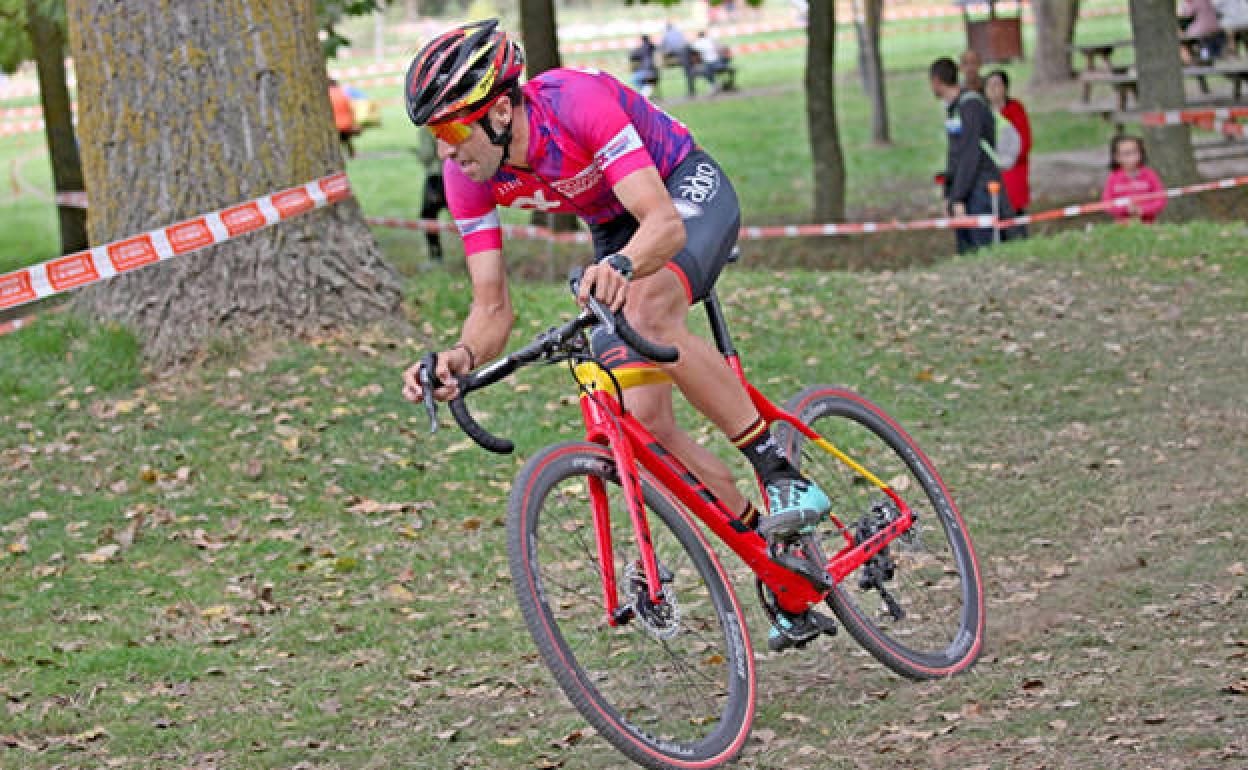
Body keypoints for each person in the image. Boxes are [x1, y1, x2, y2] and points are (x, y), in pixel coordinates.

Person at [400, 19, 834, 648]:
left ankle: (778, 471)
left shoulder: (576, 103)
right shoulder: (469, 174)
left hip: (680, 192)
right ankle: (777, 562)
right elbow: (491, 308)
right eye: (434, 134)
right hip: (613, 230)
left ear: (498, 111)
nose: (445, 150)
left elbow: (660, 223)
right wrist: (459, 357)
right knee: (647, 426)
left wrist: (626, 267)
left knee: (649, 311)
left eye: (451, 129)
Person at [929, 57, 1014, 254]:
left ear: (936, 81)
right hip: (965, 189)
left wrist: (958, 197)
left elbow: (970, 154)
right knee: (966, 251)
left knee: (984, 250)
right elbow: (955, 156)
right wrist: (950, 196)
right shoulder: (955, 109)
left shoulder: (971, 106)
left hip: (981, 189)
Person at [984, 70, 1031, 232]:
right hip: (991, 175)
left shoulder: (1015, 110)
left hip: (1013, 172)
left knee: (1015, 219)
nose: (993, 89)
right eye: (989, 85)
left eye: (997, 84)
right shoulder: (983, 113)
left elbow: (1024, 142)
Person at [1102, 135, 1167, 224]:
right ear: (1117, 157)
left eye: (1135, 151)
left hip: (1148, 226)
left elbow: (1160, 200)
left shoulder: (1150, 175)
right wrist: (1126, 209)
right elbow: (1107, 203)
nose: (1132, 156)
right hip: (1122, 227)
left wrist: (1143, 209)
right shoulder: (1113, 178)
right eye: (1127, 153)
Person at [416, 129, 448, 261]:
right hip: (456, 173)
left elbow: (427, 154)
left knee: (428, 216)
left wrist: (418, 155)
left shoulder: (426, 127)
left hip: (436, 177)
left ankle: (435, 255)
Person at [659, 22, 698, 98]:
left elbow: (663, 47)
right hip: (688, 50)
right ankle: (692, 90)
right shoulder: (678, 32)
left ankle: (691, 91)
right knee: (689, 71)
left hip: (681, 53)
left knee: (688, 72)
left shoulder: (666, 35)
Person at [328, 79, 359, 159]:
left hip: (334, 124)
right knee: (346, 140)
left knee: (334, 140)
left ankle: (335, 156)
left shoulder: (326, 95)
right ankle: (352, 154)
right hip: (346, 123)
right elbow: (350, 108)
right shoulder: (342, 93)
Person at [628, 34, 658, 98]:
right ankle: (646, 91)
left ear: (642, 40)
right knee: (643, 83)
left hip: (647, 72)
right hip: (654, 72)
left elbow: (632, 56)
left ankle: (644, 93)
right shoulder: (653, 47)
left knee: (633, 79)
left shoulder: (642, 48)